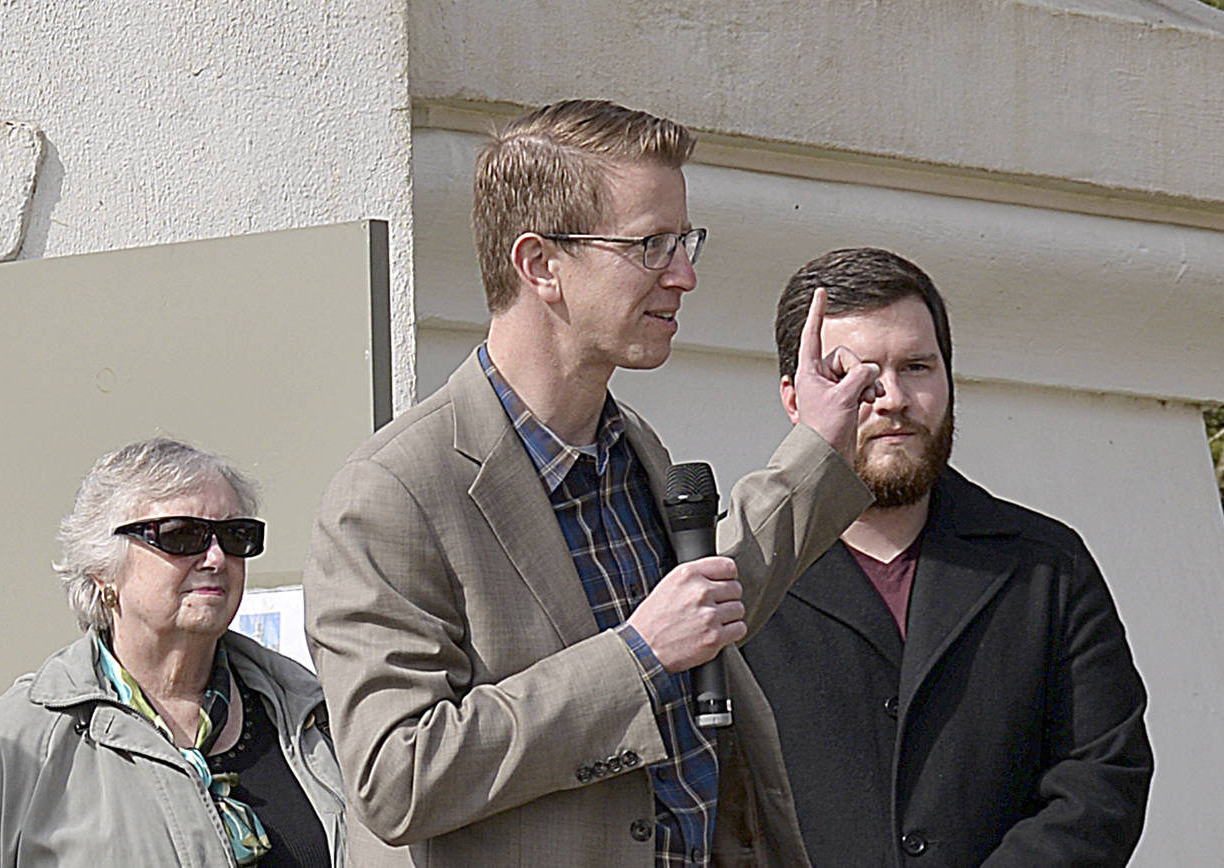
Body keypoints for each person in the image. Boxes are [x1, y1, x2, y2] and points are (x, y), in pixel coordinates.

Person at [303, 99, 881, 867]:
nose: (685, 275)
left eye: (685, 240)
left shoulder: (629, 442)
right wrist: (636, 657)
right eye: (651, 244)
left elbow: (702, 612)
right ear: (540, 265)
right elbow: (395, 777)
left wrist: (817, 444)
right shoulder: (393, 492)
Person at [742, 248, 1154, 867]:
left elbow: (1103, 776)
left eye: (917, 366)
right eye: (851, 375)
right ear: (795, 400)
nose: (892, 398)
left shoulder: (1048, 567)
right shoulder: (734, 575)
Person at [0, 438, 346, 868]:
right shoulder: (21, 743)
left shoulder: (307, 713)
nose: (216, 558)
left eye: (235, 536)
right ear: (103, 570)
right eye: (182, 535)